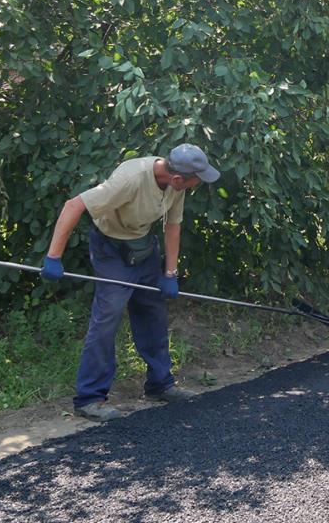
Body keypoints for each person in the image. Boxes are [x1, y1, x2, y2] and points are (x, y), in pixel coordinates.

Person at [40, 143, 220, 422]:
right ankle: (90, 398)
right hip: (111, 249)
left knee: (153, 313)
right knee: (107, 317)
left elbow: (173, 225)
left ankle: (160, 384)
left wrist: (169, 273)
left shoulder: (177, 187)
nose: (197, 184)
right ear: (177, 178)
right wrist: (54, 257)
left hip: (144, 248)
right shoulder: (130, 178)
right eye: (196, 180)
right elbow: (74, 205)